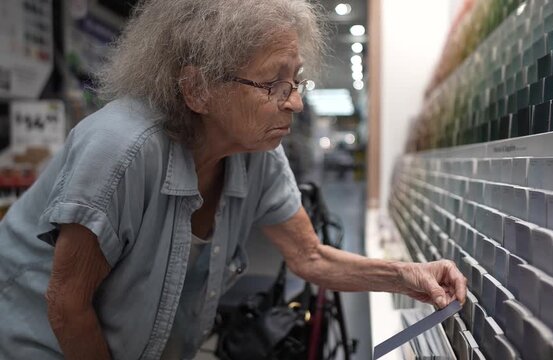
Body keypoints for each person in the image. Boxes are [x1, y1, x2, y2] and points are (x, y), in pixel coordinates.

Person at [0, 0, 467, 359]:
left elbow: (309, 256)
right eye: (273, 85)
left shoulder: (255, 154)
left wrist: (407, 276)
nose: (296, 103)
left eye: (296, 81)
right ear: (196, 88)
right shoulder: (122, 149)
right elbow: (66, 303)